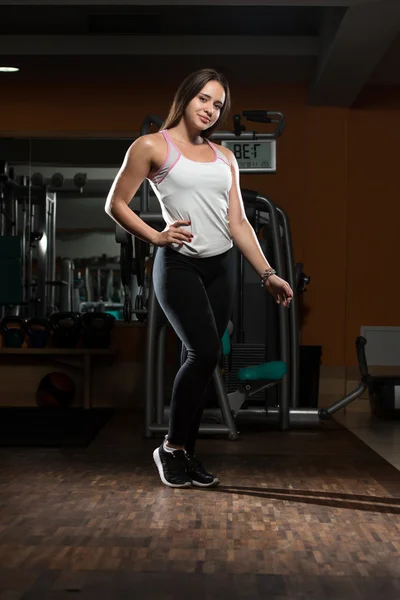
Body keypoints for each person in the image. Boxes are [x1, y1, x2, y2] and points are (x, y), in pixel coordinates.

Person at [105, 68, 293, 490]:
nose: (210, 110)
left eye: (218, 105)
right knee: (203, 351)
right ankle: (170, 448)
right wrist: (156, 235)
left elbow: (239, 221)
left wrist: (268, 273)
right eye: (204, 99)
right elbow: (115, 203)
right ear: (187, 97)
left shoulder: (224, 157)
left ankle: (186, 455)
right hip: (179, 265)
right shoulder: (153, 146)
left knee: (207, 357)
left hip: (222, 263)